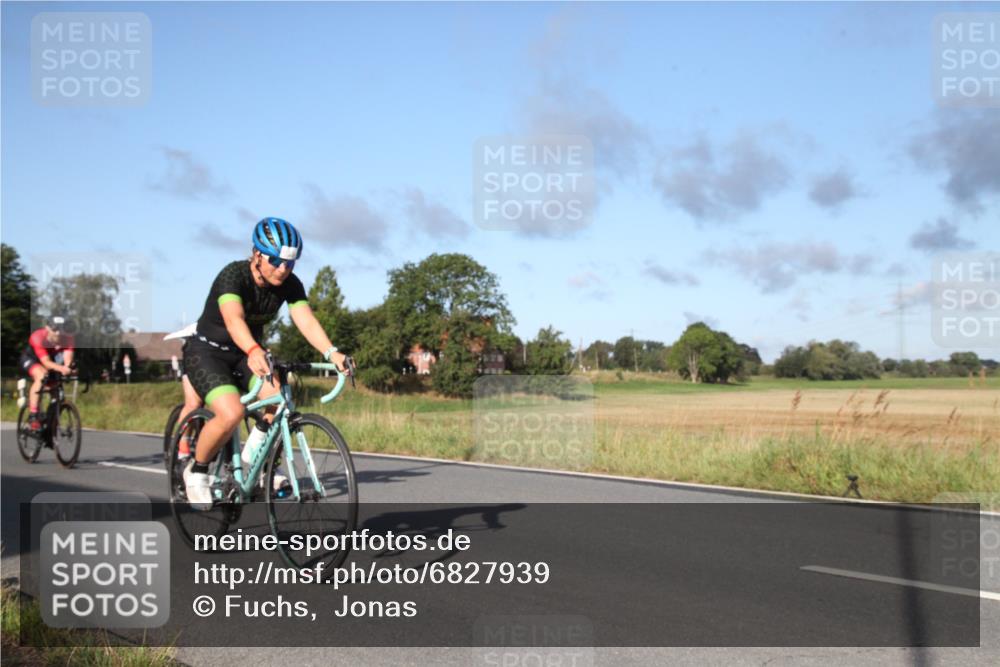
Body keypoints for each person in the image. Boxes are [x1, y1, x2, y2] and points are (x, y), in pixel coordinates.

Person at [182, 217, 348, 509]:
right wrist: (253, 348)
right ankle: (196, 470)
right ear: (257, 254)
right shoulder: (233, 276)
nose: (283, 269)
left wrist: (331, 352)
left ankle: (258, 461)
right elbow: (234, 319)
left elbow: (306, 320)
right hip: (208, 352)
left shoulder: (289, 284)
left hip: (247, 354)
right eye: (275, 261)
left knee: (279, 399)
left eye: (290, 263)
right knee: (231, 413)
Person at [19, 315, 75, 431]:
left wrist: (67, 368)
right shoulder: (38, 337)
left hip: (51, 361)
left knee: (56, 389)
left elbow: (68, 358)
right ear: (47, 328)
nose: (58, 333)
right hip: (31, 359)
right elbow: (46, 362)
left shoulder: (68, 338)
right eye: (55, 329)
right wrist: (62, 368)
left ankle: (50, 420)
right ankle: (33, 415)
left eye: (61, 329)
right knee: (41, 375)